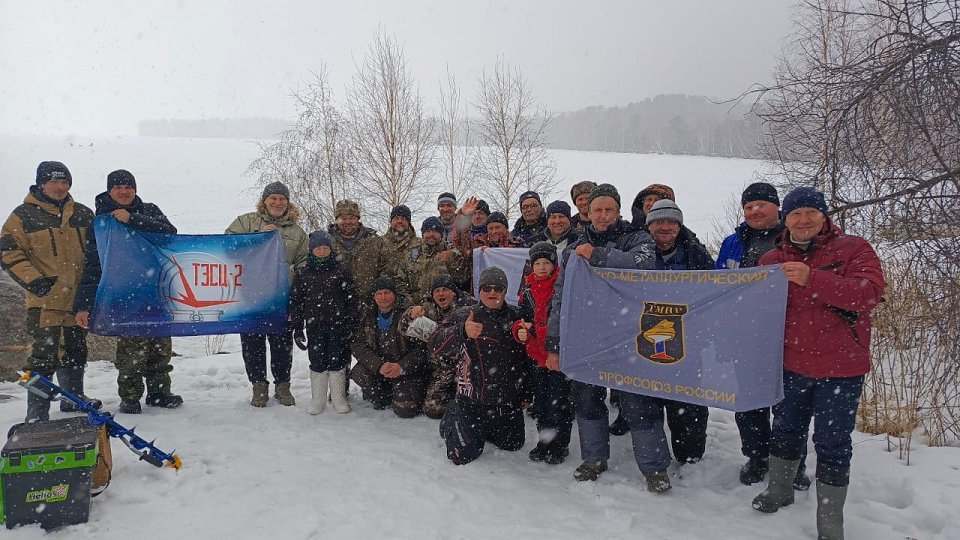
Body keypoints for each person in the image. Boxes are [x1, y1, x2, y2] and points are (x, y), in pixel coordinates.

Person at [751, 187, 884, 540]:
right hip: (791, 365)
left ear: (824, 217)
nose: (803, 220)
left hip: (841, 368)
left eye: (811, 212)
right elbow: (757, 312)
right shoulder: (771, 260)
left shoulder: (855, 249)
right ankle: (779, 490)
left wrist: (814, 279)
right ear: (786, 218)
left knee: (832, 442)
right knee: (786, 430)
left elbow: (868, 294)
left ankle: (830, 522)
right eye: (796, 214)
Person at [545, 184, 674, 493]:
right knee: (588, 400)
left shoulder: (637, 238)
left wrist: (599, 255)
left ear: (618, 211)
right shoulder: (574, 248)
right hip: (587, 336)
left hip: (630, 335)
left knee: (637, 402)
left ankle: (655, 468)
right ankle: (594, 458)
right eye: (596, 210)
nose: (602, 216)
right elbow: (561, 297)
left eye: (608, 209)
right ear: (587, 213)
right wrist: (554, 343)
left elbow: (644, 265)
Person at [716, 182, 810, 489]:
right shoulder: (733, 242)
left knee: (789, 407)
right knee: (749, 403)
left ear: (777, 208)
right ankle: (756, 457)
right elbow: (717, 287)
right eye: (749, 207)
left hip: (788, 337)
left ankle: (792, 463)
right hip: (745, 336)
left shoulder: (793, 238)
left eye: (762, 205)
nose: (755, 211)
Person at [74, 169, 182, 414]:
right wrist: (84, 304)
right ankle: (130, 396)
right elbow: (93, 264)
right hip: (124, 292)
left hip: (155, 290)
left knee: (160, 346)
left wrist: (133, 218)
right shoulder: (101, 221)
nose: (124, 192)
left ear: (135, 189)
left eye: (128, 187)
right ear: (110, 191)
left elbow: (170, 234)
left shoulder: (149, 210)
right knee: (132, 348)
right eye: (118, 188)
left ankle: (159, 392)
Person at [1, 161, 101, 422]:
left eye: (64, 181)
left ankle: (74, 399)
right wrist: (35, 281)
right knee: (41, 358)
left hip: (77, 302)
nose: (60, 187)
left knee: (76, 352)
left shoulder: (83, 213)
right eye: (54, 182)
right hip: (45, 301)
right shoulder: (22, 216)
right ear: (41, 183)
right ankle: (36, 413)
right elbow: (8, 251)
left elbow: (98, 253)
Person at [430, 267, 532, 465]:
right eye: (486, 288)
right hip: (471, 400)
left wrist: (526, 392)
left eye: (498, 288)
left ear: (505, 291)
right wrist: (461, 332)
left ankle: (485, 426)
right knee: (462, 456)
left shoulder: (516, 317)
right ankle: (454, 413)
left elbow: (526, 361)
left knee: (513, 444)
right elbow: (434, 344)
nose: (492, 293)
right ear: (479, 291)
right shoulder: (464, 315)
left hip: (505, 400)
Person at [643, 199, 714, 464]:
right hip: (646, 339)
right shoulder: (639, 254)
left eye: (671, 222)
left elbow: (713, 296)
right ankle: (653, 458)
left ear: (679, 225)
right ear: (649, 226)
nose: (665, 227)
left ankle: (690, 456)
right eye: (658, 221)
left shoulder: (697, 255)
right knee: (648, 403)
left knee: (687, 402)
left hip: (687, 342)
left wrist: (703, 334)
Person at [226, 181, 308, 408]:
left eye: (282, 198)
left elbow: (303, 264)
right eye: (273, 198)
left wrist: (297, 299)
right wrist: (256, 236)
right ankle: (259, 386)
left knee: (282, 346)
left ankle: (283, 386)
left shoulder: (297, 232)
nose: (278, 202)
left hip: (282, 298)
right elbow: (227, 246)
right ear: (264, 201)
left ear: (288, 203)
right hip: (251, 296)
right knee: (252, 345)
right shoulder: (246, 221)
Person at [513, 241, 572, 465]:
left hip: (556, 356)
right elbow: (521, 318)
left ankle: (560, 444)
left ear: (554, 264)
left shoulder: (561, 287)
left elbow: (561, 320)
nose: (542, 267)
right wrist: (521, 328)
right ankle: (544, 442)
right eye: (537, 263)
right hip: (535, 357)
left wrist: (538, 330)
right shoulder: (527, 291)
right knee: (542, 403)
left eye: (547, 262)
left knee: (558, 402)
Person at [290, 230, 357, 415]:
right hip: (314, 326)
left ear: (331, 249)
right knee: (317, 361)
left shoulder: (341, 271)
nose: (321, 251)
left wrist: (350, 323)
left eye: (325, 247)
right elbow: (296, 302)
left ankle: (338, 398)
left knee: (337, 361)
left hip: (338, 326)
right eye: (318, 248)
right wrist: (297, 328)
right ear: (311, 250)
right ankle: (317, 399)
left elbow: (351, 299)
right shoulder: (303, 274)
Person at [350, 276, 428, 417]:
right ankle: (383, 394)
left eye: (387, 293)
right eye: (379, 294)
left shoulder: (409, 314)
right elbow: (357, 345)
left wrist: (401, 366)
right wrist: (379, 365)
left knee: (405, 410)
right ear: (374, 297)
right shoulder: (367, 314)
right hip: (381, 369)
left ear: (394, 294)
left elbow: (421, 350)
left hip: (405, 371)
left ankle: (402, 392)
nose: (383, 297)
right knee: (359, 372)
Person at [401, 274, 476, 419]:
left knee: (470, 410)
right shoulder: (427, 308)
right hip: (440, 368)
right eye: (437, 291)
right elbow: (403, 329)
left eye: (445, 290)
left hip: (466, 367)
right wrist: (410, 314)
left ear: (453, 292)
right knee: (432, 410)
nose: (441, 294)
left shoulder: (468, 306)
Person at [327, 199, 392, 315]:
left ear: (358, 219)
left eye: (351, 218)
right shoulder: (327, 242)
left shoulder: (374, 241)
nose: (348, 222)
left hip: (370, 307)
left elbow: (387, 268)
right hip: (336, 306)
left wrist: (378, 294)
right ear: (337, 220)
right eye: (343, 218)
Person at [397, 217, 469, 305]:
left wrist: (451, 261)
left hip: (444, 310)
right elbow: (400, 282)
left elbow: (464, 279)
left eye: (435, 231)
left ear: (441, 234)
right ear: (423, 234)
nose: (431, 234)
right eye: (427, 231)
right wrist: (411, 306)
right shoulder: (411, 255)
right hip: (416, 309)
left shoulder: (452, 252)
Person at [381, 204, 419, 275]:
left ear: (408, 223)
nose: (400, 221)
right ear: (391, 221)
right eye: (396, 218)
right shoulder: (379, 243)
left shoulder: (419, 244)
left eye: (403, 218)